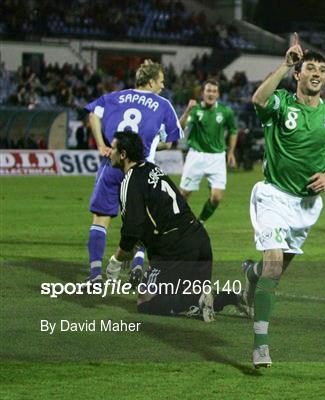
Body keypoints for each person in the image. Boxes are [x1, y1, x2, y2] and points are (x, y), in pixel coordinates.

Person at [242, 34, 325, 368]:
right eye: (310, 67)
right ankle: (261, 343)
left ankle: (252, 274)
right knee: (274, 265)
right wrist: (284, 63)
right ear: (299, 74)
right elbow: (259, 100)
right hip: (274, 195)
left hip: (306, 206)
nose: (316, 72)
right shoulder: (282, 104)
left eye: (322, 69)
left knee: (273, 271)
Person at [105, 131, 249, 320]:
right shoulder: (152, 169)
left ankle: (198, 299)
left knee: (145, 303)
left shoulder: (130, 181)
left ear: (123, 154)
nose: (108, 152)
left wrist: (116, 261)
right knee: (188, 300)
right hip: (199, 238)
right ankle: (232, 298)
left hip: (174, 248)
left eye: (113, 148)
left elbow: (132, 230)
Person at [84, 59, 182, 283]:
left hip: (113, 164)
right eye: (160, 82)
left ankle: (95, 275)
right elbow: (171, 141)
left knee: (100, 220)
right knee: (140, 222)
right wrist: (157, 142)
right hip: (139, 172)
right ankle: (137, 266)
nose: (162, 86)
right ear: (150, 82)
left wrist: (101, 144)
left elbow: (93, 114)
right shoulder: (163, 105)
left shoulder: (114, 97)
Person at [178, 80, 238, 223]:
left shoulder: (225, 111)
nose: (211, 94)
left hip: (217, 157)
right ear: (202, 93)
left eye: (214, 91)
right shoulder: (196, 110)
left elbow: (233, 130)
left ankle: (200, 223)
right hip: (196, 155)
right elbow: (180, 127)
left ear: (218, 94)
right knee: (183, 195)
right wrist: (187, 111)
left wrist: (231, 153)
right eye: (208, 91)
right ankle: (175, 223)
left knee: (217, 197)